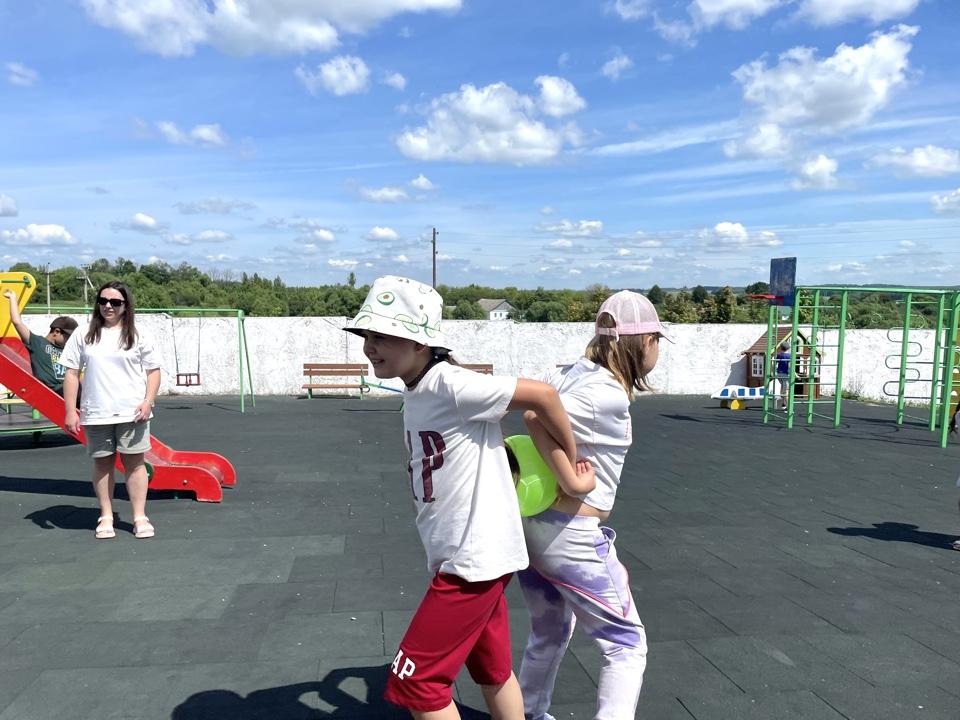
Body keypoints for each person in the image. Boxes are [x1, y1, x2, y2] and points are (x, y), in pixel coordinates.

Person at [343, 275, 592, 720]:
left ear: (420, 342)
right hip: (465, 556)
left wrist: (570, 474)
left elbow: (543, 395)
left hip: (473, 562)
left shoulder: (451, 384)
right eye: (367, 335)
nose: (369, 347)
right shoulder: (418, 387)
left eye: (382, 336)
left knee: (416, 682)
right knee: (492, 670)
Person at [517, 290, 668, 720]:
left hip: (535, 529)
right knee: (626, 645)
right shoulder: (606, 394)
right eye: (657, 339)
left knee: (550, 631)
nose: (657, 349)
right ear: (643, 342)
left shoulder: (572, 372)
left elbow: (540, 409)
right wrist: (569, 476)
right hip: (571, 537)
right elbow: (534, 415)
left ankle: (527, 712)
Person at [59, 281, 161, 540]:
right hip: (96, 412)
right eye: (103, 301)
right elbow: (71, 373)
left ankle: (139, 517)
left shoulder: (138, 333)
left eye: (115, 302)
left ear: (126, 305)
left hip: (133, 412)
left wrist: (148, 401)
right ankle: (106, 515)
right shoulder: (84, 334)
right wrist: (70, 410)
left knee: (135, 464)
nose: (108, 306)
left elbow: (153, 371)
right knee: (103, 464)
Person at [3, 289, 78, 395]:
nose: (71, 341)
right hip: (56, 390)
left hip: (68, 387)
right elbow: (17, 322)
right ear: (56, 332)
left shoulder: (67, 350)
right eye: (69, 337)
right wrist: (13, 298)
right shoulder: (37, 343)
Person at [774, 341, 792, 410]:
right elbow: (790, 366)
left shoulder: (779, 355)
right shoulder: (789, 356)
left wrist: (773, 372)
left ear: (781, 348)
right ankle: (789, 406)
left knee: (782, 388)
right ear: (788, 348)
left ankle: (783, 403)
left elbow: (774, 364)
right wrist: (794, 374)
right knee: (786, 391)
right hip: (785, 374)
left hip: (779, 374)